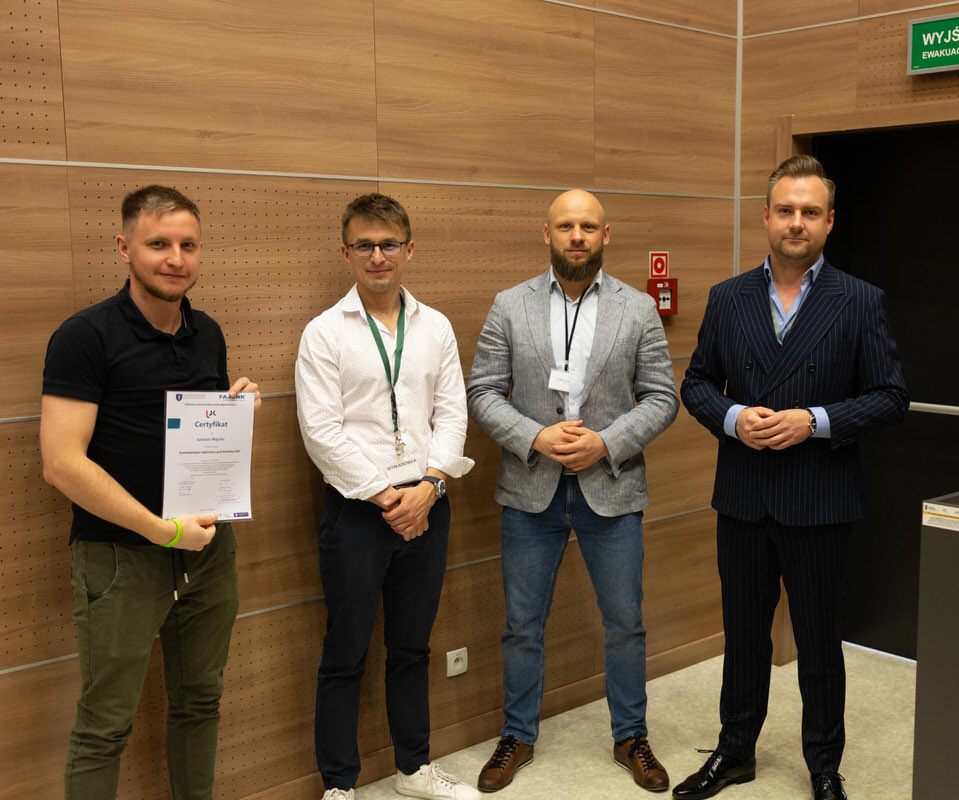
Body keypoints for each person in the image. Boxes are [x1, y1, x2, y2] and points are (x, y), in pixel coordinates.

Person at [677, 155, 908, 800]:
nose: (796, 222)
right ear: (765, 217)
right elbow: (696, 383)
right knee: (744, 637)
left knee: (818, 641)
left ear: (830, 221)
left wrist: (816, 420)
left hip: (820, 499)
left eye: (810, 212)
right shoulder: (728, 298)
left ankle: (824, 764)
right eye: (785, 210)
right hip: (743, 497)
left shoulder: (859, 300)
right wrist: (731, 417)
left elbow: (891, 397)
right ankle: (734, 751)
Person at [40, 185, 261, 800]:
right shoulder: (84, 336)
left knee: (200, 702)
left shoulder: (207, 332)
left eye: (188, 245)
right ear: (124, 248)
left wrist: (236, 417)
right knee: (104, 726)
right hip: (120, 558)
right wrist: (162, 531)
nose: (175, 259)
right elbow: (61, 464)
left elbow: (199, 446)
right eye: (158, 244)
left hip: (208, 551)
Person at [466, 189, 679, 793]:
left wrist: (605, 443)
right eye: (566, 226)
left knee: (626, 623)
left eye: (588, 226)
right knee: (522, 625)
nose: (577, 236)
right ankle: (517, 735)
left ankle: (631, 735)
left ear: (605, 235)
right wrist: (535, 436)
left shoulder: (637, 309)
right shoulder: (510, 305)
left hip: (611, 488)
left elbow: (663, 397)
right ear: (547, 234)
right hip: (529, 491)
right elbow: (482, 391)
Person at [295, 193, 478, 800]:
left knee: (411, 648)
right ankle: (339, 784)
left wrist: (429, 487)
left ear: (409, 249)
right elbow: (321, 433)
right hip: (356, 514)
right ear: (345, 251)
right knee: (345, 652)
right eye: (365, 245)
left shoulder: (436, 326)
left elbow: (452, 414)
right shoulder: (324, 333)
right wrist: (388, 498)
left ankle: (413, 769)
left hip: (428, 503)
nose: (378, 256)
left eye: (389, 244)